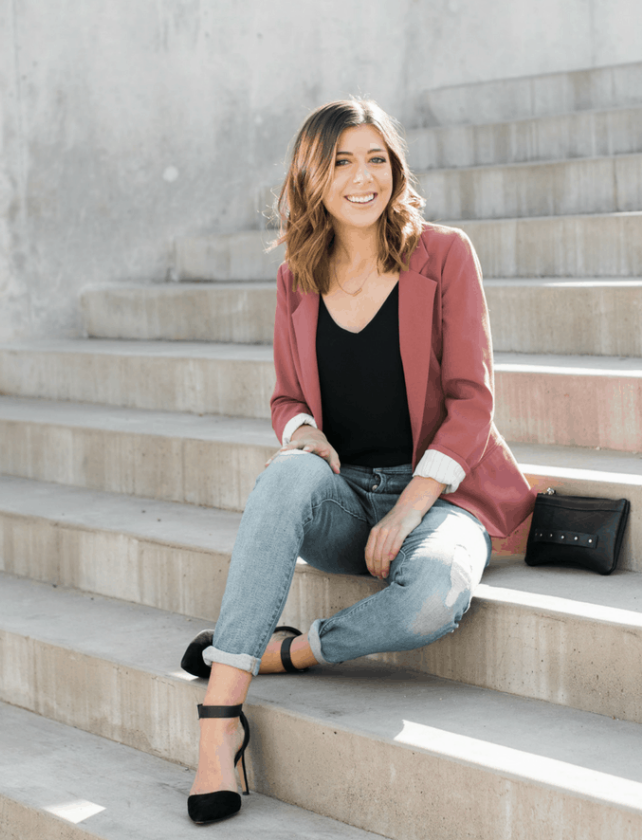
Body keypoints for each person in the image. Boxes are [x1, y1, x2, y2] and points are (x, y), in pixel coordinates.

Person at [183, 98, 535, 825]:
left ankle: (294, 653)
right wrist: (304, 433)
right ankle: (221, 717)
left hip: (441, 498)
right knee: (285, 475)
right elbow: (286, 398)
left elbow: (472, 403)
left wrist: (411, 507)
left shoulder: (444, 255)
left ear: (395, 168)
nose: (363, 175)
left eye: (376, 158)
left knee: (436, 593)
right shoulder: (296, 278)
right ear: (312, 175)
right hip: (345, 501)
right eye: (342, 160)